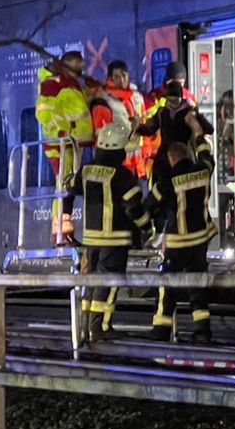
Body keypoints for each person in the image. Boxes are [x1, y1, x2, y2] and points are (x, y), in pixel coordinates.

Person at [76, 121, 155, 341]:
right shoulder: (123, 175)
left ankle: (85, 326)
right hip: (115, 238)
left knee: (91, 283)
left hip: (90, 238)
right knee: (109, 283)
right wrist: (147, 227)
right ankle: (100, 327)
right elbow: (134, 208)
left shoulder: (86, 170)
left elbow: (71, 187)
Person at [146, 109, 217, 342]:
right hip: (201, 240)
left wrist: (148, 231)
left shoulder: (166, 183)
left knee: (168, 285)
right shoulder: (204, 171)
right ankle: (202, 332)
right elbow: (207, 154)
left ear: (170, 159)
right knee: (197, 286)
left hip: (177, 243)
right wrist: (197, 131)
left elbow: (147, 208)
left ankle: (161, 330)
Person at [35, 50, 94, 244]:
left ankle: (64, 230)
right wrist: (63, 131)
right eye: (78, 68)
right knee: (64, 184)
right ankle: (60, 232)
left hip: (73, 144)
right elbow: (44, 114)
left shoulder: (72, 85)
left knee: (68, 184)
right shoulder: (52, 85)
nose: (81, 72)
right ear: (68, 65)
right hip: (60, 144)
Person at [91, 60, 147, 177]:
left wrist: (146, 149)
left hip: (137, 161)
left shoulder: (137, 97)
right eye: (116, 76)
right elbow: (101, 133)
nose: (121, 80)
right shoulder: (102, 100)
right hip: (114, 161)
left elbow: (144, 123)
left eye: (124, 75)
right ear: (110, 77)